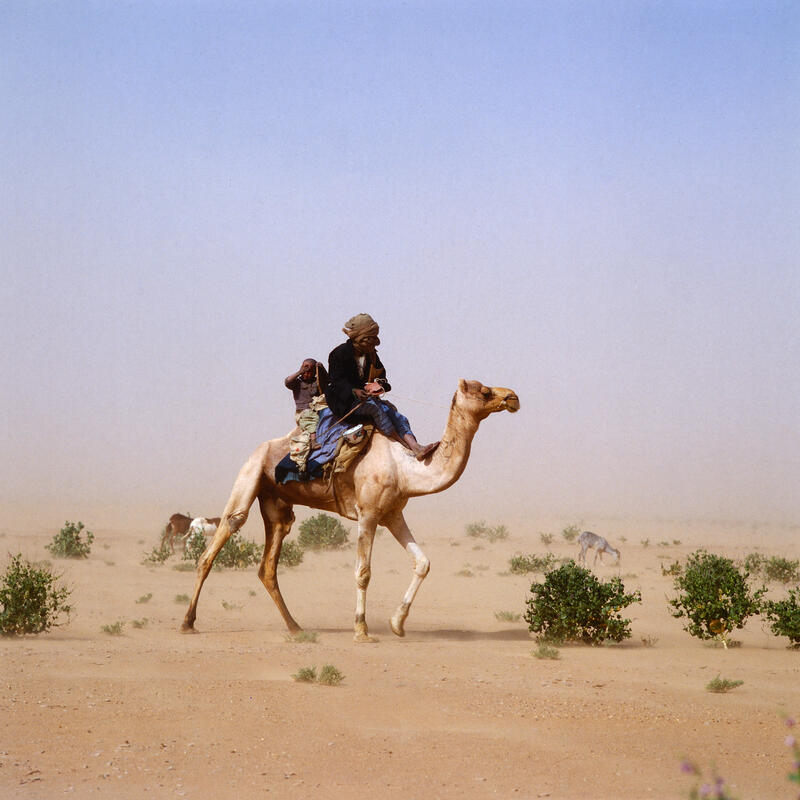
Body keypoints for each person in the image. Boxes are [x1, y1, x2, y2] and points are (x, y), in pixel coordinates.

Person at [325, 313, 439, 461]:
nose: (375, 343)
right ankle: (403, 445)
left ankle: (415, 446)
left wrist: (378, 385)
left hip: (366, 397)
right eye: (372, 339)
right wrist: (354, 391)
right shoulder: (338, 354)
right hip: (344, 402)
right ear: (362, 339)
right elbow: (336, 381)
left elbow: (382, 375)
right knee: (376, 409)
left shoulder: (371, 354)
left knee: (395, 415)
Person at [284, 359, 328, 474]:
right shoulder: (297, 383)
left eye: (310, 370)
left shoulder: (317, 382)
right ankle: (312, 443)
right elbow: (287, 382)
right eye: (305, 368)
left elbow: (328, 381)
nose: (307, 372)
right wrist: (300, 371)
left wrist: (321, 369)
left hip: (316, 410)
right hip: (304, 413)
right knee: (310, 419)